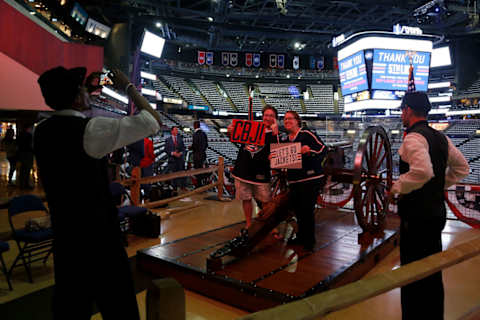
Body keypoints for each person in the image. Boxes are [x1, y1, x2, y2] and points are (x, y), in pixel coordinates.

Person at [34, 66, 162, 320]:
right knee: (119, 306)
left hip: (66, 236)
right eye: (82, 89)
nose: (87, 93)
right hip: (100, 238)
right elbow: (153, 120)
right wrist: (127, 86)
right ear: (76, 97)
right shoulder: (91, 130)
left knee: (70, 307)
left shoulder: (41, 131)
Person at [389, 91, 469, 320]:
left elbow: (423, 171)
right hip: (436, 213)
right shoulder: (442, 137)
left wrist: (396, 187)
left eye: (402, 109)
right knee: (433, 270)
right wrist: (439, 184)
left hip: (416, 217)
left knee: (412, 272)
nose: (401, 114)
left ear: (408, 110)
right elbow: (462, 168)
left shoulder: (413, 138)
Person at [282, 111, 326, 251]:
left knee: (306, 210)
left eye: (290, 118)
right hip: (294, 181)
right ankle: (301, 237)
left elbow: (322, 149)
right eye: (285, 119)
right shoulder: (285, 140)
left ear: (297, 121)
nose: (287, 121)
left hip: (310, 178)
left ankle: (309, 240)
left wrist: (310, 150)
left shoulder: (306, 134)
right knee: (298, 211)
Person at [228, 105, 279, 229]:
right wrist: (231, 131)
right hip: (243, 170)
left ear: (275, 119)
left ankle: (270, 226)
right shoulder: (251, 127)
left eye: (271, 116)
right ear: (262, 116)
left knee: (265, 201)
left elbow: (278, 151)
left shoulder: (276, 133)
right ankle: (249, 223)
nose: (268, 118)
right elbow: (235, 140)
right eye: (266, 115)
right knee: (246, 199)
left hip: (261, 171)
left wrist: (275, 133)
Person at [165, 126, 186, 190]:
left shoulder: (180, 139)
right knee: (173, 175)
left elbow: (184, 149)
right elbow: (166, 150)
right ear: (172, 131)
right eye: (175, 130)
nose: (177, 131)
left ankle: (182, 187)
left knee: (181, 174)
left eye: (177, 130)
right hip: (172, 160)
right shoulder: (168, 140)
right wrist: (172, 153)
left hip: (180, 160)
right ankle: (174, 188)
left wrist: (180, 153)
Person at [191, 120, 208, 186]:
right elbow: (206, 144)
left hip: (197, 156)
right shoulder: (204, 133)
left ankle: (199, 185)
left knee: (197, 171)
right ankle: (201, 184)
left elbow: (195, 145)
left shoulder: (195, 134)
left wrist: (191, 147)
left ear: (194, 126)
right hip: (203, 155)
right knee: (201, 170)